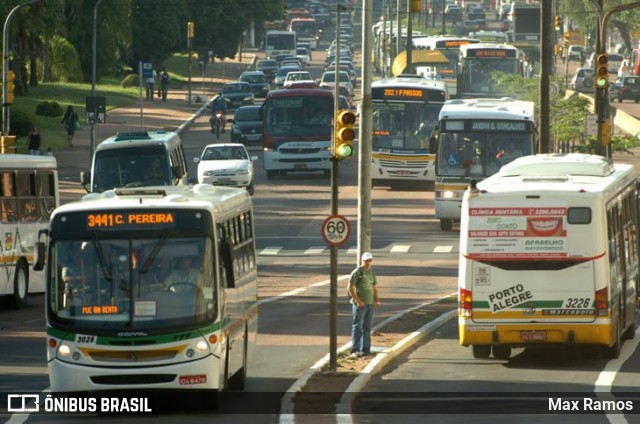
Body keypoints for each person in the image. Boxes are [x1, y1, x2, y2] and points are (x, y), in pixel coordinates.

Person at [348, 252, 380, 357]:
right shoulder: (357, 272)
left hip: (370, 303)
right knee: (357, 327)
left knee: (367, 327)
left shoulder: (372, 273)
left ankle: (365, 349)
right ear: (362, 261)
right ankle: (355, 350)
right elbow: (350, 287)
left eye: (370, 260)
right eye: (366, 260)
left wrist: (377, 299)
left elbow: (374, 287)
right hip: (360, 305)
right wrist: (358, 300)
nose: (368, 262)